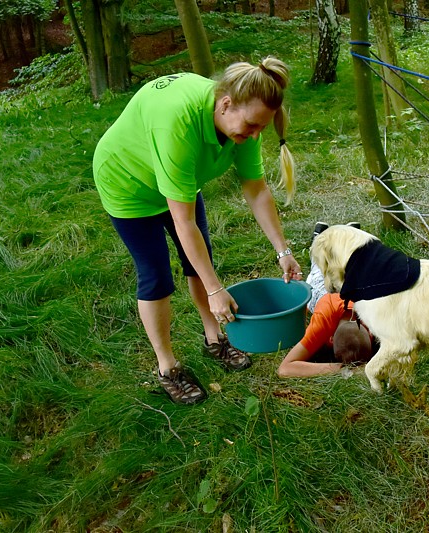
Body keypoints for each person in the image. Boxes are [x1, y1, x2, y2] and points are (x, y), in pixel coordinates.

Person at [93, 57, 303, 405]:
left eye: (260, 129)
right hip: (128, 184)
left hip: (178, 179)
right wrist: (216, 288)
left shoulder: (244, 121)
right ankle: (167, 367)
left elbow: (256, 188)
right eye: (251, 126)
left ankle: (214, 338)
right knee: (156, 274)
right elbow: (183, 221)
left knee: (198, 259)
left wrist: (283, 250)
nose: (253, 136)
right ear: (225, 104)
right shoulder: (179, 125)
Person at [277, 223, 376, 378]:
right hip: (327, 295)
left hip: (352, 294)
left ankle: (341, 239)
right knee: (321, 270)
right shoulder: (323, 320)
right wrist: (340, 369)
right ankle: (330, 240)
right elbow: (284, 370)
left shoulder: (377, 318)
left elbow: (286, 368)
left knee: (344, 268)